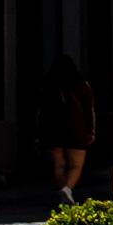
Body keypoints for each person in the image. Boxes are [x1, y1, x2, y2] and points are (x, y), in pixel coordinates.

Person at [40, 56, 94, 207]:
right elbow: (89, 111)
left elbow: (42, 112)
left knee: (59, 165)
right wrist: (90, 131)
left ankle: (63, 196)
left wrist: (39, 134)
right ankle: (67, 189)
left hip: (53, 130)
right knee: (76, 166)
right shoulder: (83, 86)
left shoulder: (47, 87)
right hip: (77, 130)